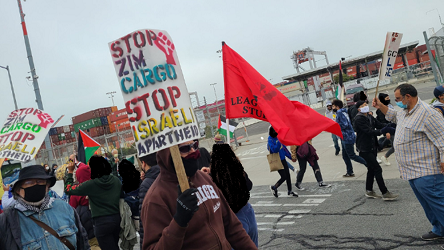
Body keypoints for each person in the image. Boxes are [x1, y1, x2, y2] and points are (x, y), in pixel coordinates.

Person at [140, 139, 257, 250]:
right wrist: (179, 222)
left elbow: (232, 226)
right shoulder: (156, 198)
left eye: (194, 145)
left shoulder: (205, 178)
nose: (193, 152)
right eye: (185, 148)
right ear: (169, 155)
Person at [373, 83, 444, 243]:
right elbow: (392, 115)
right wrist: (380, 106)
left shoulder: (428, 113)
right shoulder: (405, 112)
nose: (396, 101)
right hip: (412, 171)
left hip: (428, 170)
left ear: (408, 97)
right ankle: (439, 229)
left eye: (398, 98)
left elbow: (442, 138)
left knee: (440, 204)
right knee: (428, 205)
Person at [0, 165, 90, 250]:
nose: (36, 185)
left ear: (47, 186)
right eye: (29, 182)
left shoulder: (64, 207)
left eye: (40, 181)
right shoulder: (8, 221)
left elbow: (83, 242)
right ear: (18, 190)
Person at [65, 155, 122, 250]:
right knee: (114, 246)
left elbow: (68, 189)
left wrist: (70, 173)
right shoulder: (115, 180)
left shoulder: (91, 184)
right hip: (117, 219)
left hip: (102, 222)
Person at [209, 143, 258, 247]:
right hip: (246, 210)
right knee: (251, 244)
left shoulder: (213, 176)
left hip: (231, 216)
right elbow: (249, 185)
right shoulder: (238, 170)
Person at [353, 100, 398, 200]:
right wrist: (383, 131)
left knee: (371, 169)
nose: (365, 106)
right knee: (377, 169)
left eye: (366, 104)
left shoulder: (369, 116)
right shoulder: (358, 119)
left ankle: (369, 191)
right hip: (364, 149)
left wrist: (390, 126)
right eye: (363, 105)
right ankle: (385, 193)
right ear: (359, 109)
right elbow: (369, 131)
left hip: (372, 147)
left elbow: (379, 124)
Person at [68, 160, 101, 250]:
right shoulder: (99, 185)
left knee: (93, 245)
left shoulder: (77, 191)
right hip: (102, 223)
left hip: (86, 226)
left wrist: (70, 173)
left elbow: (71, 210)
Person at [332, 99, 367, 177]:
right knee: (345, 156)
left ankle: (368, 164)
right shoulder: (343, 112)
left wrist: (335, 125)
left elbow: (344, 125)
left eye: (333, 106)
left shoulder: (340, 113)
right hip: (345, 136)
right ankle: (349, 171)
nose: (332, 108)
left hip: (347, 136)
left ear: (337, 107)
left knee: (352, 155)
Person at [138, 152, 160, 250]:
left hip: (155, 236)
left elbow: (144, 220)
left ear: (143, 163)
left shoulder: (146, 184)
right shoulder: (169, 175)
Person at [268, 126, 298, 197]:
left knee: (288, 175)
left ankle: (290, 191)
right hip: (277, 161)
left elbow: (284, 149)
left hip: (283, 159)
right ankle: (274, 187)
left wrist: (291, 157)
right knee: (283, 176)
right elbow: (274, 150)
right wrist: (279, 141)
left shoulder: (279, 138)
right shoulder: (270, 140)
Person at [377, 93, 396, 166]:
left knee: (396, 145)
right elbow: (383, 121)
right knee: (395, 146)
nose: (388, 99)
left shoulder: (389, 106)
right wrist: (387, 131)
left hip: (394, 127)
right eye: (386, 98)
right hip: (389, 129)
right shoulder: (380, 110)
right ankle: (385, 157)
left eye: (388, 98)